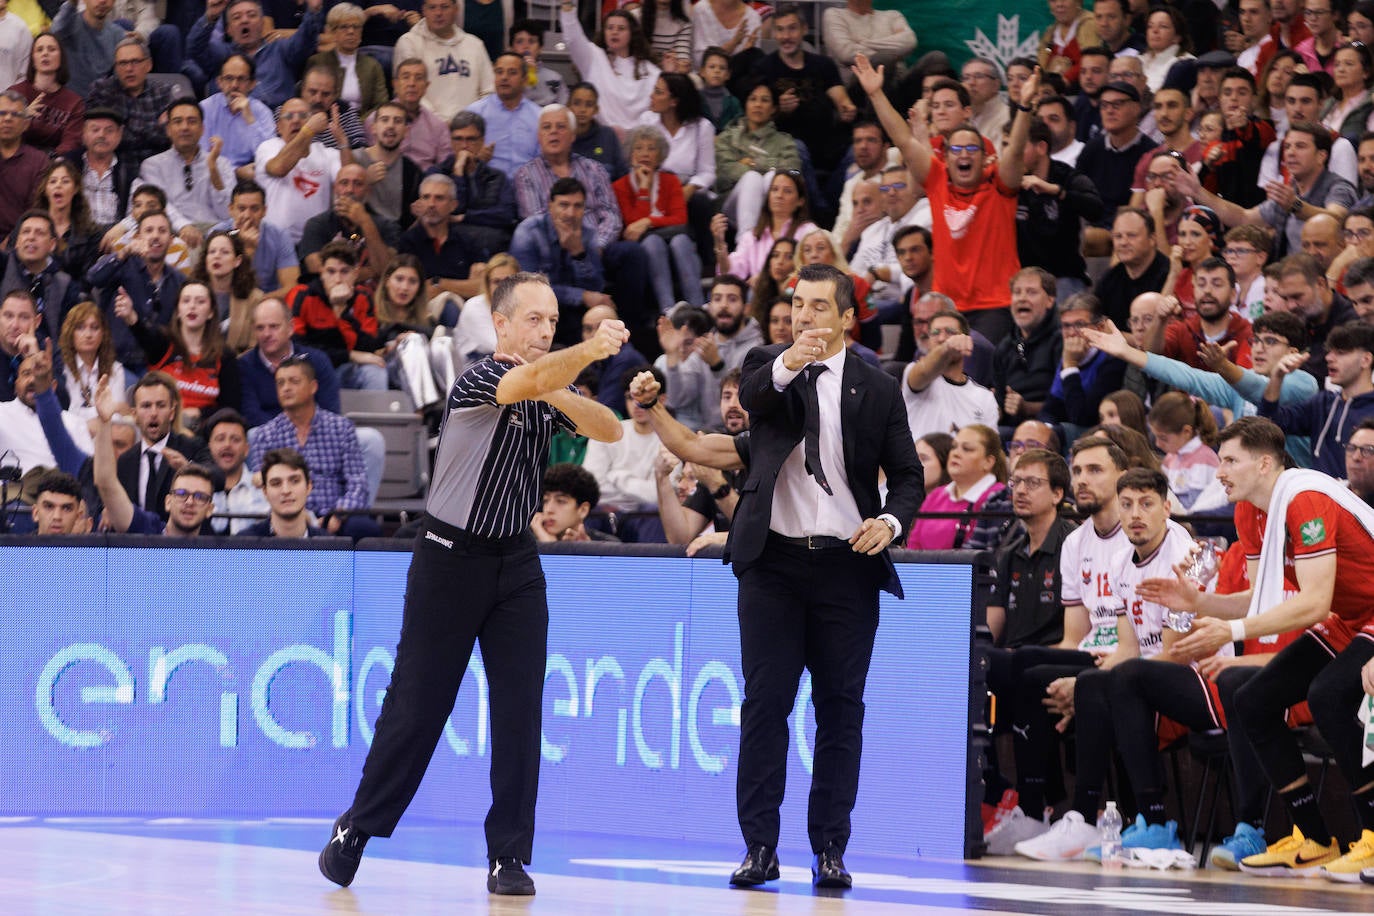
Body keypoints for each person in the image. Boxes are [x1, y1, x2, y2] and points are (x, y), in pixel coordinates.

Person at [318, 273, 630, 895]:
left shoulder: (547, 386)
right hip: (449, 559)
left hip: (516, 562)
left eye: (553, 321)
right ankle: (358, 826)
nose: (546, 330)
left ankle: (507, 855)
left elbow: (609, 429)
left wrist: (563, 385)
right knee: (418, 705)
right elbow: (519, 386)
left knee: (520, 709)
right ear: (502, 325)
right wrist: (588, 352)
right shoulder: (479, 377)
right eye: (534, 320)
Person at [724, 263, 922, 890]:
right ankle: (759, 847)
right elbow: (755, 399)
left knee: (840, 710)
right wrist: (792, 360)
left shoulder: (877, 386)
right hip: (773, 565)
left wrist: (889, 521)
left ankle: (831, 848)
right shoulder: (768, 364)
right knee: (765, 705)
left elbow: (909, 475)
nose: (803, 316)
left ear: (847, 318)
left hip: (847, 566)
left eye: (817, 306)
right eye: (796, 304)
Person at [1137, 417, 1374, 879]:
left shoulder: (1305, 499)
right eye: (1219, 460)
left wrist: (1231, 631)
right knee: (1254, 700)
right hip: (1351, 618)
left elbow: (1313, 603)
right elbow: (1260, 597)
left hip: (1367, 613)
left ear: (1265, 464)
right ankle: (1315, 839)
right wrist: (1198, 602)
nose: (1220, 472)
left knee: (1328, 695)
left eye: (1230, 461)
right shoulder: (1250, 510)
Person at [856, 54, 1037, 342]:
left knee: (975, 363)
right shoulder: (938, 180)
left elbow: (1015, 151)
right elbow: (903, 140)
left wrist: (1024, 107)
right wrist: (876, 93)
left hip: (995, 306)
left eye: (972, 149)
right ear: (946, 157)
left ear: (985, 157)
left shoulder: (999, 184)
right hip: (947, 308)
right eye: (956, 150)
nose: (964, 154)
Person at [748, 4, 856, 175]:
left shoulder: (823, 64)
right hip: (786, 146)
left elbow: (839, 95)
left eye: (792, 29)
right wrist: (780, 110)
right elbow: (758, 115)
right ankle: (812, 194)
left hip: (827, 143)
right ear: (774, 33)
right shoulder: (763, 68)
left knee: (857, 151)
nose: (786, 36)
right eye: (780, 30)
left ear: (804, 29)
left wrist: (846, 108)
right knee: (797, 149)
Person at [1258, 321, 1374, 479]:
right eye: (1330, 352)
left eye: (1340, 352)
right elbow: (1268, 422)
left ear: (1366, 360)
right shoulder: (1322, 403)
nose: (1329, 358)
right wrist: (1277, 377)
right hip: (1318, 493)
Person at [613, 125, 703, 313]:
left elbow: (680, 219)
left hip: (674, 238)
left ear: (660, 154)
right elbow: (631, 225)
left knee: (680, 241)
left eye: (651, 148)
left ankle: (698, 308)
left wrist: (649, 221)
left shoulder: (671, 181)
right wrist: (644, 188)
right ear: (630, 154)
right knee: (653, 242)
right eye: (639, 148)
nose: (645, 153)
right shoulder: (619, 186)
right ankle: (668, 310)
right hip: (647, 245)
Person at [86, 210, 186, 373]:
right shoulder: (121, 265)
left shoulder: (179, 281)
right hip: (117, 363)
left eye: (162, 231)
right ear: (138, 237)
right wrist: (124, 252)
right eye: (149, 230)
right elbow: (92, 277)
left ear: (171, 239)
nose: (155, 236)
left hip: (159, 366)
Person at [188, 0, 326, 110]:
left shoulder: (281, 49)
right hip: (229, 124)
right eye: (237, 17)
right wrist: (210, 17)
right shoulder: (221, 55)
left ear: (262, 23)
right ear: (229, 29)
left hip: (277, 126)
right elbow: (194, 48)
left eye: (252, 15)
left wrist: (313, 11)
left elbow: (306, 40)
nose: (244, 20)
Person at [286, 241, 386, 390]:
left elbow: (369, 347)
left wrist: (342, 313)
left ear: (355, 274)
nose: (337, 280)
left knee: (375, 371)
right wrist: (350, 355)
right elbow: (296, 348)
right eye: (331, 272)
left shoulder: (363, 298)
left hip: (346, 369)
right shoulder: (301, 295)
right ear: (321, 272)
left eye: (344, 272)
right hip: (310, 371)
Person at [115, 371, 215, 519]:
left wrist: (187, 468)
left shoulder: (193, 447)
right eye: (146, 406)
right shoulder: (125, 462)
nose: (153, 413)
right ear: (134, 414)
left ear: (172, 413)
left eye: (160, 405)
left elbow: (219, 478)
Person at [236, 297, 342, 428]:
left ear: (291, 328)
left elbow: (330, 409)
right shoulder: (244, 366)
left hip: (316, 432)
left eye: (274, 326)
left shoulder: (317, 360)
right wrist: (288, 433)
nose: (266, 334)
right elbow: (251, 415)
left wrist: (304, 432)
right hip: (267, 434)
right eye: (260, 328)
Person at [713, 82, 802, 237]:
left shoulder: (784, 141)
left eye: (764, 100)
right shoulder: (727, 138)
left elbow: (794, 172)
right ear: (746, 105)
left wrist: (758, 163)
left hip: (772, 204)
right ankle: (746, 241)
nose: (758, 105)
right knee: (752, 179)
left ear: (773, 108)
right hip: (731, 204)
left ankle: (774, 236)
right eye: (753, 99)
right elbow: (724, 174)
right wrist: (772, 166)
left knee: (771, 178)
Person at [906, 423, 1010, 551]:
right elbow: (913, 548)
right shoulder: (936, 495)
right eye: (954, 447)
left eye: (967, 449)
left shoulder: (998, 498)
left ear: (988, 462)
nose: (956, 453)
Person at [900, 308, 998, 441]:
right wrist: (947, 347)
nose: (942, 338)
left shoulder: (985, 397)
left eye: (950, 332)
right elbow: (923, 372)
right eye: (935, 333)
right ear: (928, 341)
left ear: (966, 339)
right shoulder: (914, 372)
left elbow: (989, 446)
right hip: (919, 454)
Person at [559, 2, 659, 132]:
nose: (614, 32)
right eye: (610, 28)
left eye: (621, 28)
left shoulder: (650, 70)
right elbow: (572, 38)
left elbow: (657, 108)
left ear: (632, 34)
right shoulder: (593, 57)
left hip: (637, 139)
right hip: (599, 136)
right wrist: (567, 5)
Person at [464, 51, 540, 181]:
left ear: (525, 79)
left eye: (512, 73)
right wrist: (477, 158)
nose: (504, 77)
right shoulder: (474, 113)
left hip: (529, 186)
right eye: (499, 72)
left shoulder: (539, 116)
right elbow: (461, 156)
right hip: (486, 186)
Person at [306, 3, 388, 120]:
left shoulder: (372, 65)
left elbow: (381, 104)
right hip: (324, 123)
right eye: (344, 27)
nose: (351, 31)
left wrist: (358, 123)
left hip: (363, 125)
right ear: (333, 32)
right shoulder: (317, 62)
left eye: (356, 27)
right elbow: (307, 99)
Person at [373, 57, 452, 172]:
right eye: (406, 77)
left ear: (426, 86)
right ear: (395, 84)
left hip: (425, 179)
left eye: (418, 78)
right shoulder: (376, 120)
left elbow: (445, 166)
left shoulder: (438, 126)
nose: (412, 83)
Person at [239, 447, 327, 537]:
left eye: (295, 481)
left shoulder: (329, 543)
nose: (286, 491)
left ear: (308, 487)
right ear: (265, 492)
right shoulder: (243, 543)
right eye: (276, 483)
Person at [532, 462, 619, 542]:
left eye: (560, 501)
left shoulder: (608, 546)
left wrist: (585, 551)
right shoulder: (527, 543)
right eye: (546, 501)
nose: (548, 510)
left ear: (583, 510)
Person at [509, 19, 566, 107]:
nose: (526, 46)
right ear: (512, 48)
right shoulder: (504, 77)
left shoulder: (555, 78)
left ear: (540, 48)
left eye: (531, 41)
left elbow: (564, 109)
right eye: (519, 41)